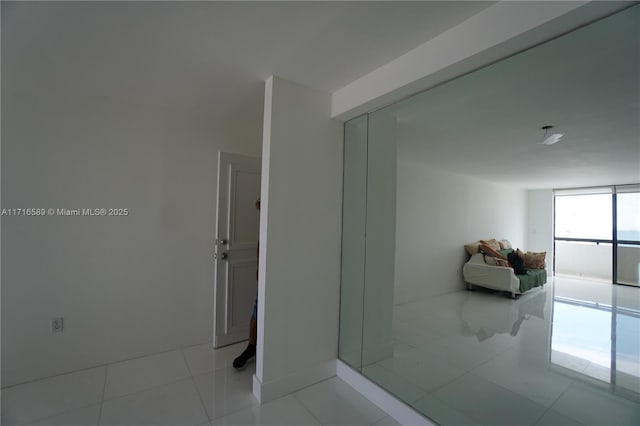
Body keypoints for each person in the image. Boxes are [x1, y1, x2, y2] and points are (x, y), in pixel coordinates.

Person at [233, 198, 260, 369]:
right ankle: (252, 347)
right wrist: (259, 267)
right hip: (265, 272)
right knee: (257, 308)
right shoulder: (265, 223)